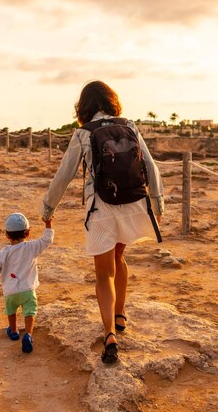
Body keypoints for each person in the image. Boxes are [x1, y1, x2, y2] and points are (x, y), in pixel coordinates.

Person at [41, 80, 164, 363]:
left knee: (103, 273)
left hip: (102, 208)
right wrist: (157, 204)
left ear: (83, 107)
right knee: (120, 257)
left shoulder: (84, 133)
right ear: (112, 101)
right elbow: (151, 166)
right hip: (132, 202)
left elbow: (64, 175)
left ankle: (109, 334)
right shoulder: (129, 125)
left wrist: (48, 208)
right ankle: (120, 314)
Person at [0, 213, 54, 353]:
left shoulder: (4, 252)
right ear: (28, 233)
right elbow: (47, 240)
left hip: (10, 291)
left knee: (11, 311)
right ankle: (28, 335)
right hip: (28, 290)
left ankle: (13, 331)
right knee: (29, 312)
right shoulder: (32, 247)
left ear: (7, 235)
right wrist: (48, 224)